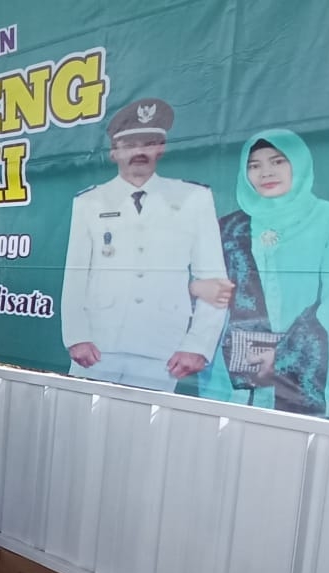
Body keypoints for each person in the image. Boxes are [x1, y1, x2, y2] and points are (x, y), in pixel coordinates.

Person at [61, 98, 230, 392]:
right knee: (82, 427)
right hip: (99, 345)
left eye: (149, 143)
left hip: (163, 346)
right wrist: (76, 336)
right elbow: (75, 274)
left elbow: (213, 279)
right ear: (114, 153)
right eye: (129, 145)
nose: (139, 152)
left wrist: (198, 345)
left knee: (146, 432)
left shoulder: (193, 198)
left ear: (161, 148)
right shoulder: (89, 202)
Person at [191, 129, 329, 417]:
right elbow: (196, 285)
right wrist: (197, 288)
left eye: (278, 161)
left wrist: (284, 356)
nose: (265, 173)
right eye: (254, 165)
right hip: (229, 375)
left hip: (304, 370)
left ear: (299, 163)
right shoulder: (228, 226)